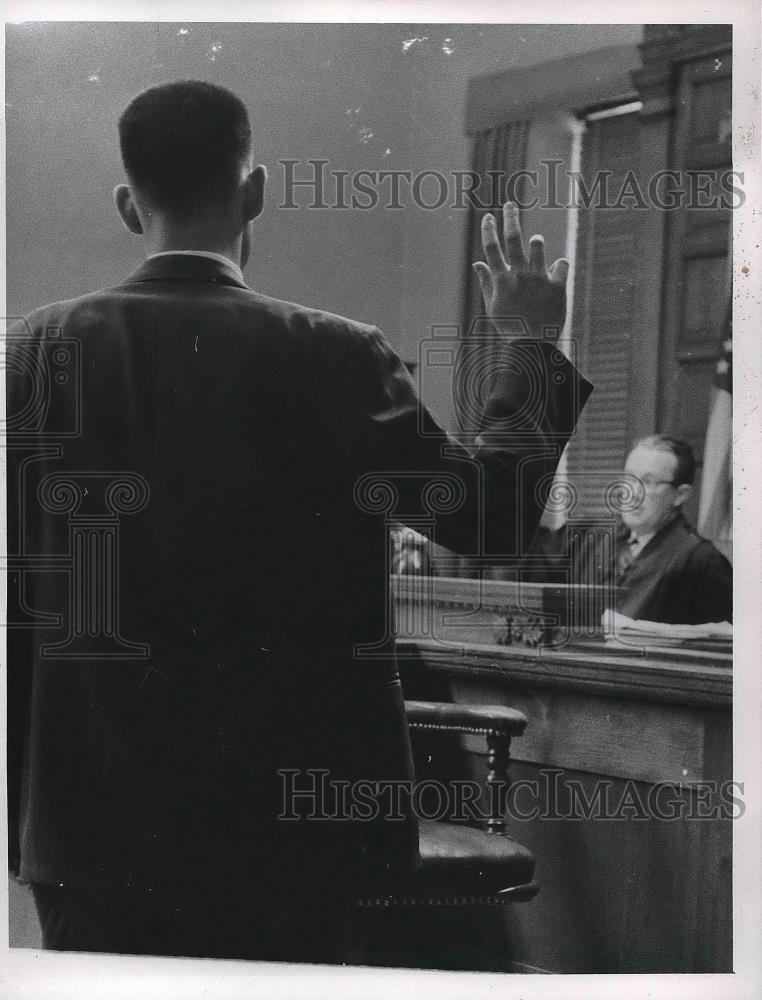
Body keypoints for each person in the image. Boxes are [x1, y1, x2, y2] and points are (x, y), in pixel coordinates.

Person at [6, 80, 591, 962]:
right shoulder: (335, 353)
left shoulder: (27, 355)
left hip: (91, 821)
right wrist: (533, 348)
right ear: (257, 191)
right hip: (294, 825)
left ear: (129, 207)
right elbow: (493, 517)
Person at [609, 434, 732, 624]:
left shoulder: (702, 562)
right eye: (629, 478)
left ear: (680, 495)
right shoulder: (597, 540)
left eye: (648, 482)